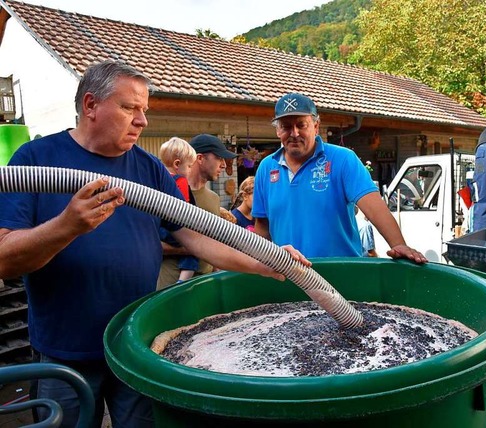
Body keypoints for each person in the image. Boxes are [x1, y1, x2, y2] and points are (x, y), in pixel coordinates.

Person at [0, 60, 309, 428]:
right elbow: (5, 259)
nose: (142, 120)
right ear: (90, 106)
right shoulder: (36, 160)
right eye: (130, 107)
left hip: (134, 343)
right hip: (62, 356)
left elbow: (196, 235)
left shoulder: (148, 170)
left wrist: (265, 261)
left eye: (144, 109)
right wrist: (66, 226)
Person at [252, 92, 427, 263]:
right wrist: (256, 264)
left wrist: (398, 244)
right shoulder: (267, 168)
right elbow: (263, 226)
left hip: (341, 273)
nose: (294, 133)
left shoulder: (342, 160)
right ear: (277, 130)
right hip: (289, 276)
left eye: (301, 125)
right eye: (286, 127)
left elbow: (374, 208)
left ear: (316, 126)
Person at [156, 133, 238, 287]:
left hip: (205, 286)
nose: (224, 165)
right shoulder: (165, 193)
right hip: (170, 289)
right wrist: (194, 247)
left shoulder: (214, 198)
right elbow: (150, 243)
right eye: (219, 158)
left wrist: (219, 278)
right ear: (200, 159)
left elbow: (216, 243)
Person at [158, 137, 199, 283]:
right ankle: (183, 280)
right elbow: (184, 211)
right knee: (194, 249)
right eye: (189, 166)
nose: (189, 170)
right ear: (177, 164)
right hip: (172, 229)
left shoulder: (158, 178)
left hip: (160, 228)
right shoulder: (180, 181)